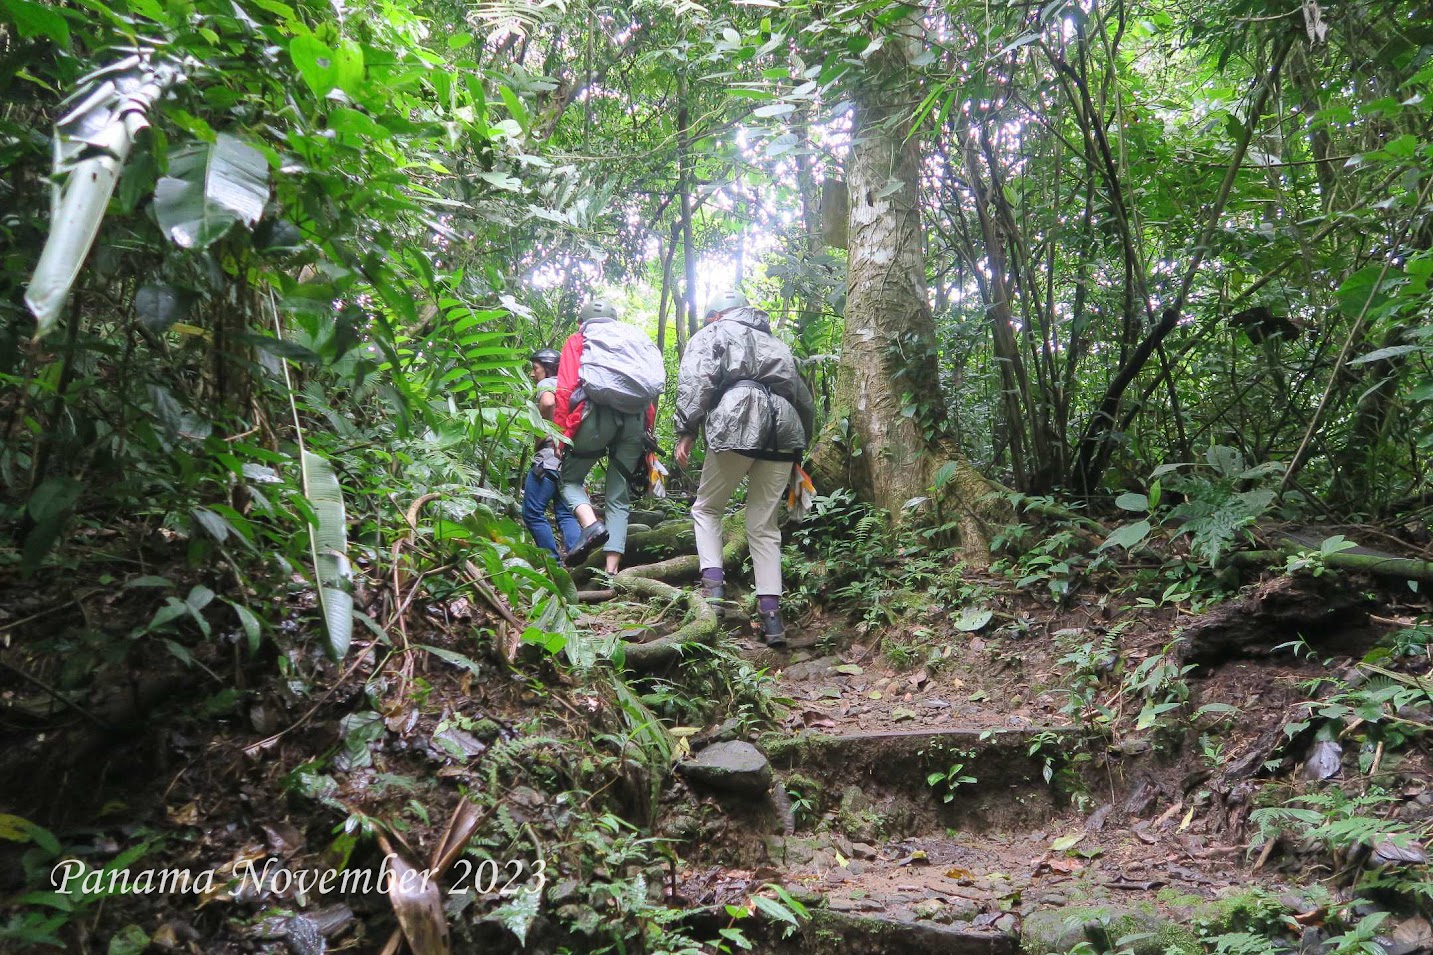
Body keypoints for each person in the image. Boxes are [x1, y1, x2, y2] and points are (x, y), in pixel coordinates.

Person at [674, 290, 814, 648]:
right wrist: (799, 448)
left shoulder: (715, 331)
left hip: (738, 416)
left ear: (716, 315)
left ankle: (714, 595)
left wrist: (686, 429)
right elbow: (803, 398)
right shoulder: (776, 343)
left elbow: (697, 378)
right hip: (784, 427)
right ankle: (772, 619)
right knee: (763, 526)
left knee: (707, 508)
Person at [555, 299, 663, 574]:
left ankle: (591, 525)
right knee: (618, 495)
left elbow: (566, 389)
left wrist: (560, 434)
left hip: (594, 416)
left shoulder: (579, 339)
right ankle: (611, 571)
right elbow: (646, 394)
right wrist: (647, 434)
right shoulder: (631, 342)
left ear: (581, 322)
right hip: (635, 420)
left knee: (569, 480)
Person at [521, 348, 582, 560]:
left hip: (548, 458)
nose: (532, 373)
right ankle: (577, 561)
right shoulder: (571, 387)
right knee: (565, 513)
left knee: (532, 513)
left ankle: (553, 564)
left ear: (547, 368)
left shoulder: (547, 383)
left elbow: (548, 402)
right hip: (570, 459)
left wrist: (539, 433)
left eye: (535, 368)